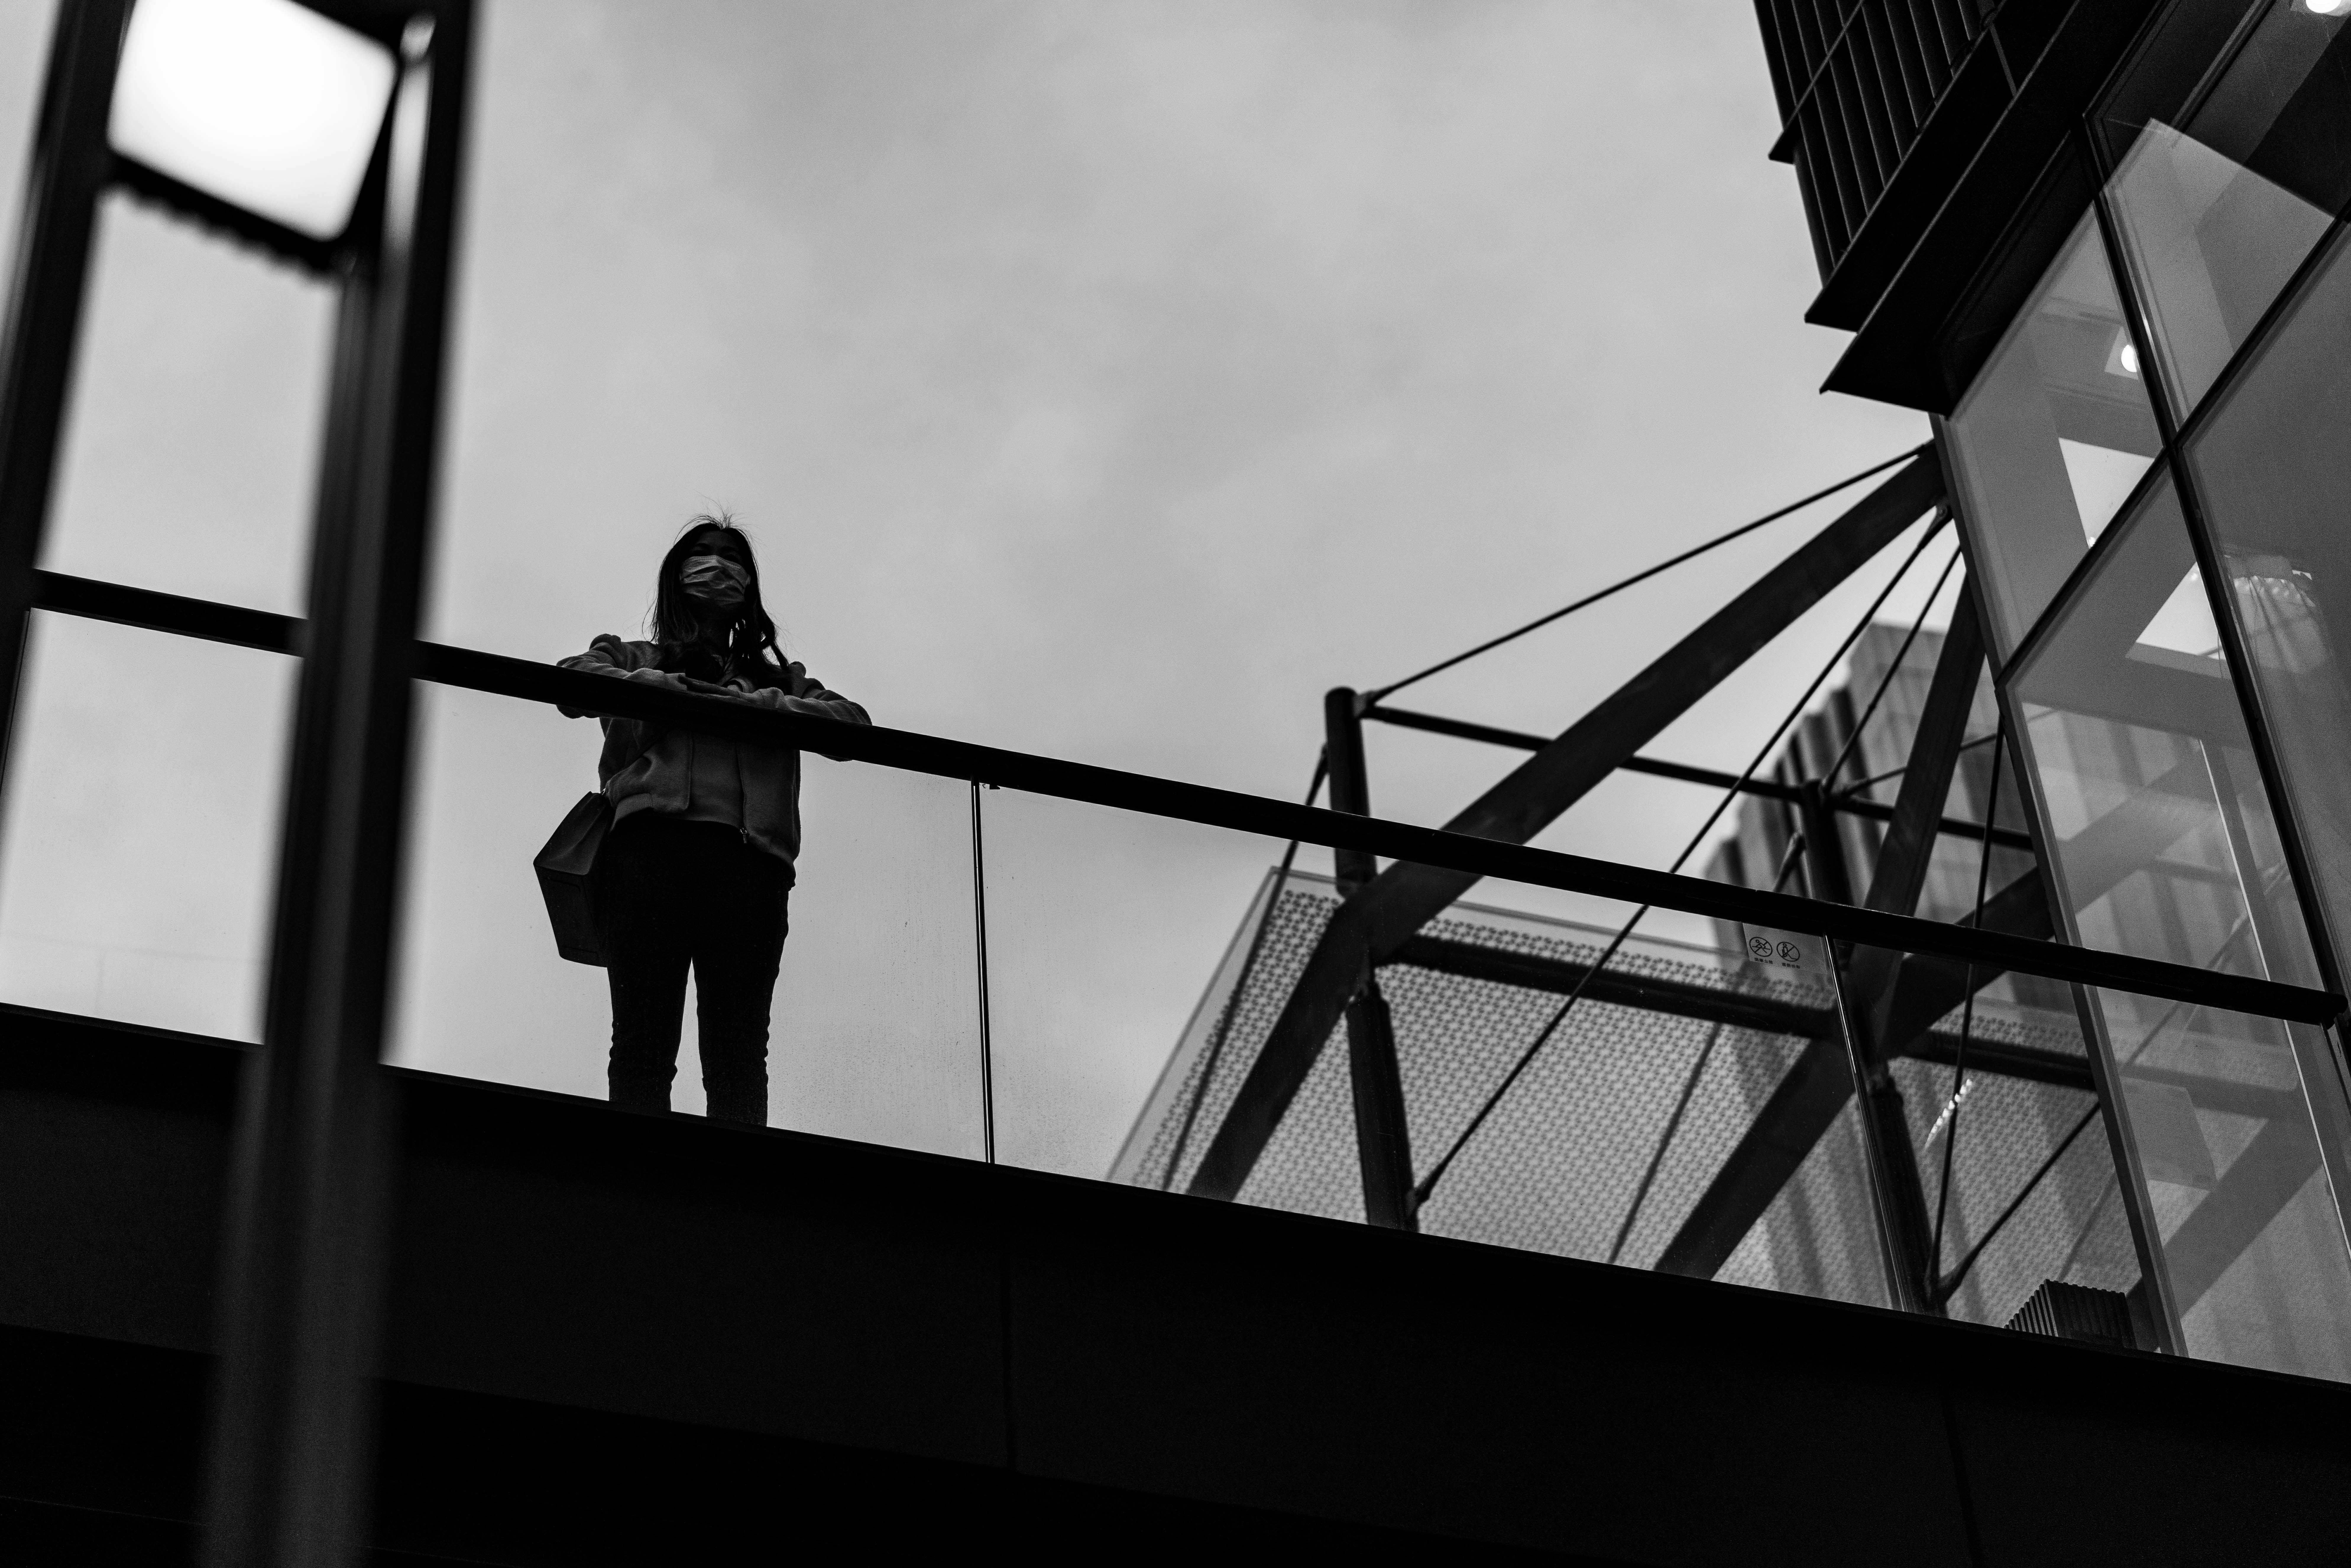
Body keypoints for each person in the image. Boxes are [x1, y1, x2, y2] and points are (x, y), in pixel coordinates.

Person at [558, 514, 869, 1123]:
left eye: (731, 557)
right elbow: (572, 682)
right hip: (648, 850)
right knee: (644, 1041)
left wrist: (741, 702)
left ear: (748, 585)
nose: (718, 564)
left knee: (739, 1052)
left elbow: (851, 727)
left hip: (750, 865)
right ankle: (639, 1192)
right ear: (677, 575)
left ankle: (732, 1199)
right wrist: (670, 685)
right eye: (702, 552)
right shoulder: (631, 655)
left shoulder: (783, 680)